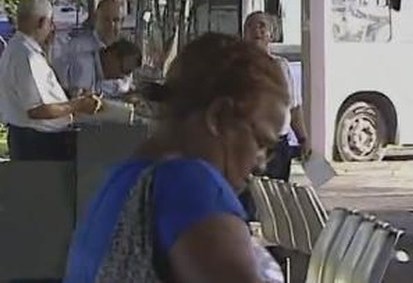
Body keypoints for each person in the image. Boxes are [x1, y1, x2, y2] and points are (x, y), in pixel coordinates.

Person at [63, 32, 288, 283]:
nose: (261, 162)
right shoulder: (190, 184)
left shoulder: (124, 179)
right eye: (260, 142)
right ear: (219, 116)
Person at [0, 0, 101, 161]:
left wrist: (68, 97)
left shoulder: (19, 49)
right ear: (41, 22)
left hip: (33, 139)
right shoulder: (25, 55)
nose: (52, 28)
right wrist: (77, 105)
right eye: (50, 23)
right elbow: (37, 110)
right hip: (37, 144)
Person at [242, 11, 311, 179]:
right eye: (250, 26)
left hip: (279, 144)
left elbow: (294, 107)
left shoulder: (282, 66)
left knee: (275, 194)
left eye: (262, 26)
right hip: (249, 143)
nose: (256, 30)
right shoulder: (237, 67)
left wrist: (303, 139)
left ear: (271, 35)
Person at [55, 0, 131, 97]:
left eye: (116, 20)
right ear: (96, 19)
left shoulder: (126, 53)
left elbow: (125, 87)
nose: (111, 25)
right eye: (106, 19)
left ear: (122, 23)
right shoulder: (75, 47)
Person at [57, 38, 142, 99]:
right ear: (112, 55)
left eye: (126, 74)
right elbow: (81, 107)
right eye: (123, 69)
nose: (120, 77)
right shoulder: (83, 67)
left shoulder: (95, 68)